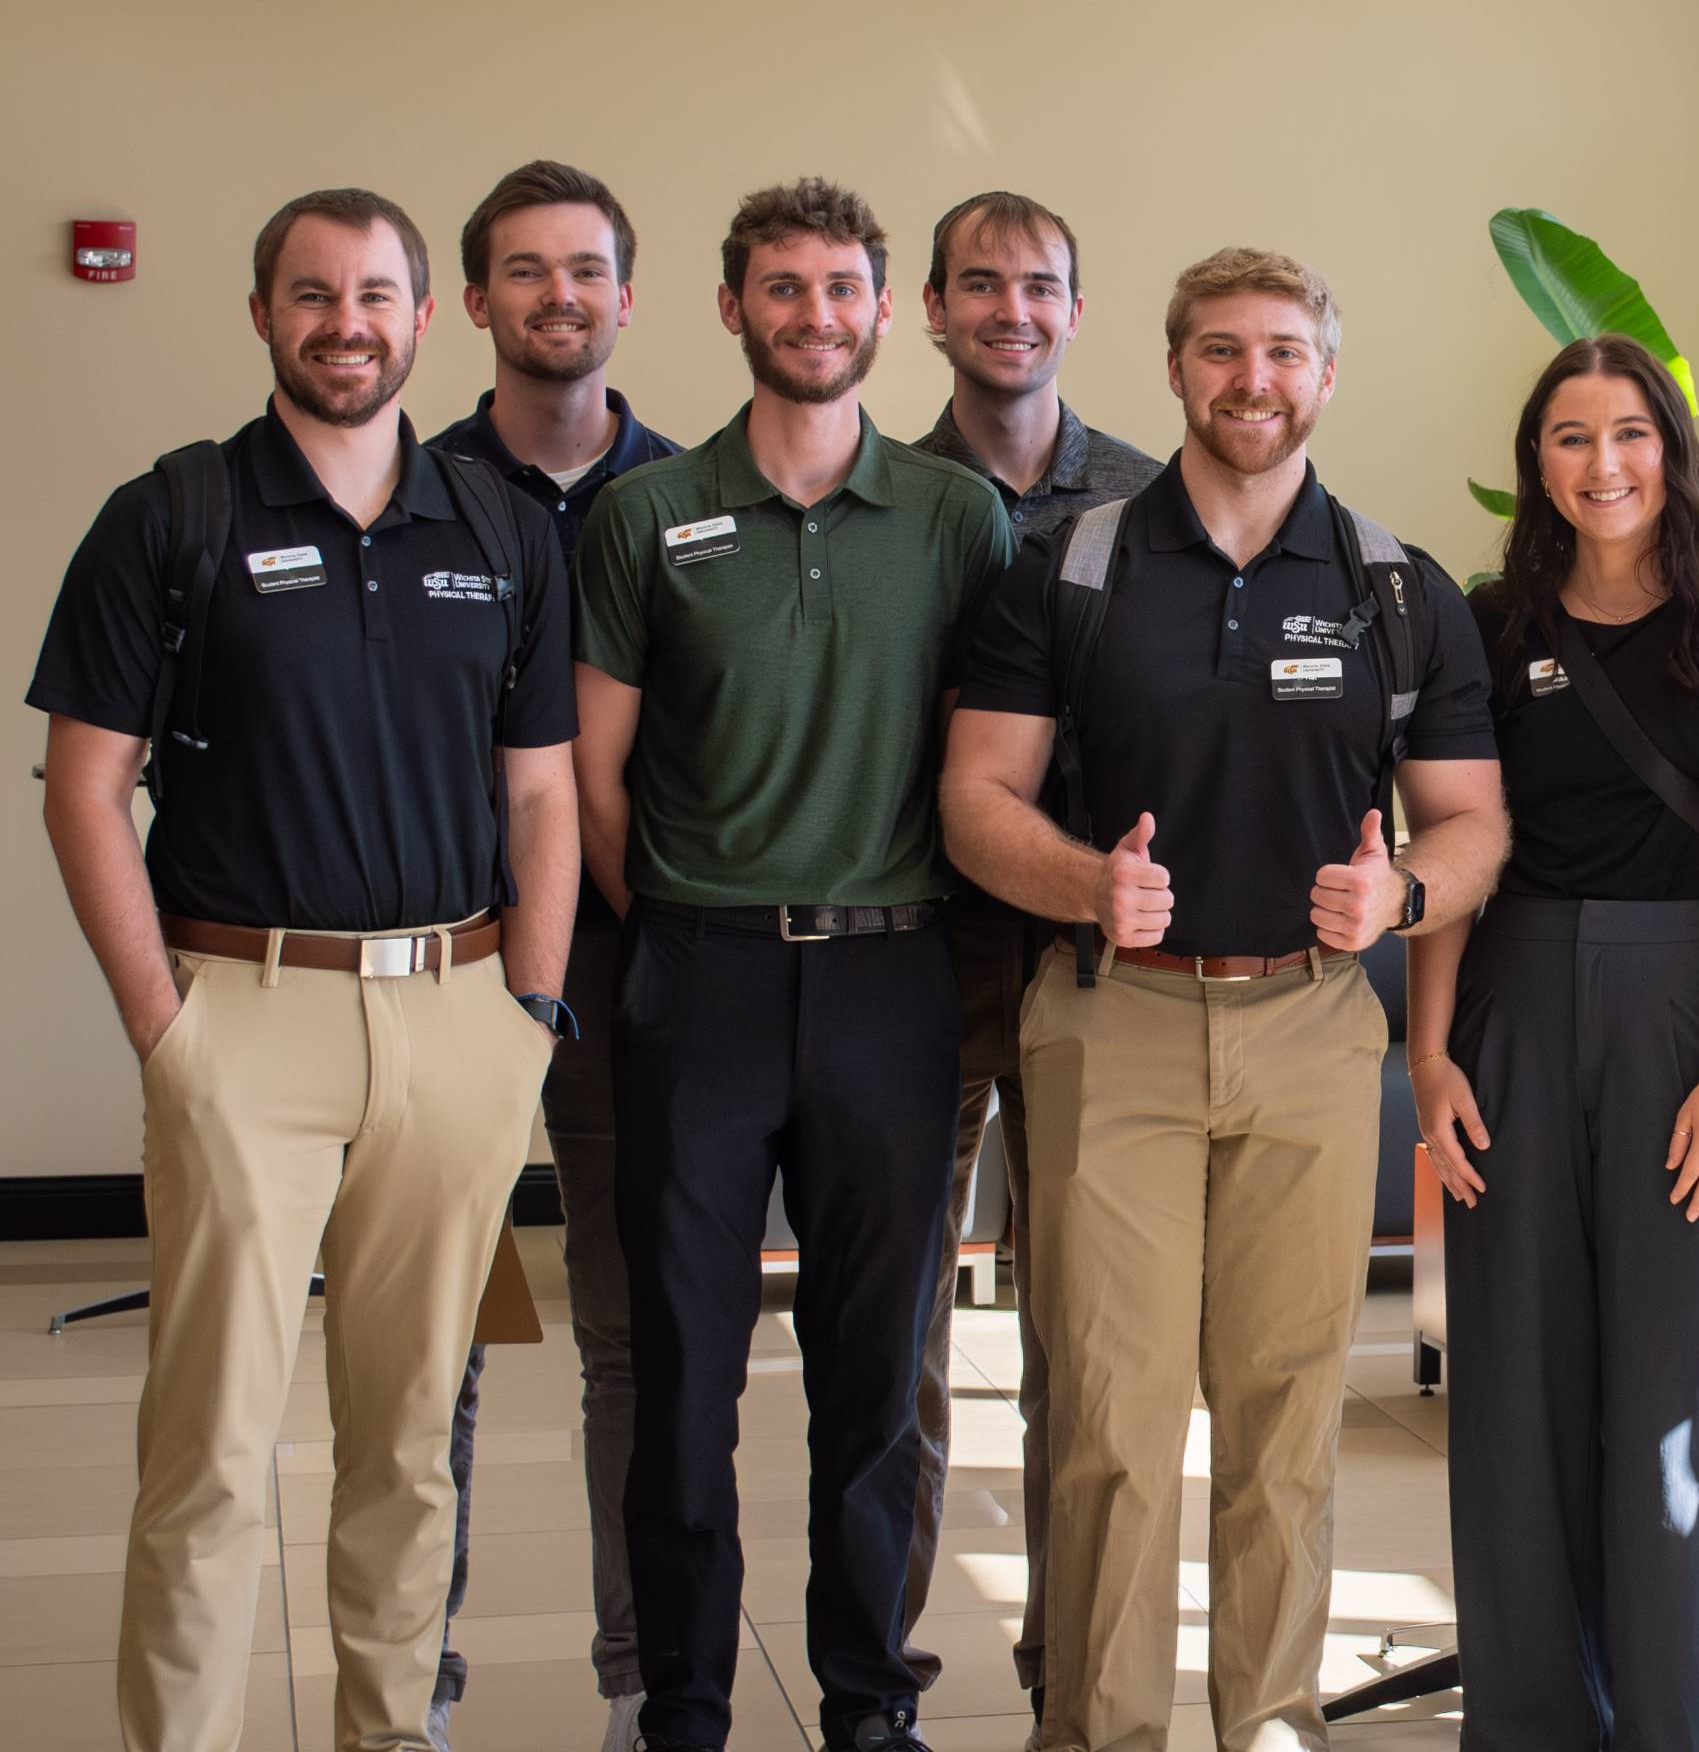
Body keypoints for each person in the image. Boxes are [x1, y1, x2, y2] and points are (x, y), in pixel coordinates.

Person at [32, 186, 575, 1752]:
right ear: (263, 313)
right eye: (314, 293)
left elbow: (540, 788)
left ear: (425, 317)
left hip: (457, 1018)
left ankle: (389, 1733)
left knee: (411, 1443)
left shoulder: (499, 525)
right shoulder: (175, 514)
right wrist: (166, 1030)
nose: (348, 322)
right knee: (209, 1447)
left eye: (377, 295)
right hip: (241, 1016)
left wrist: (526, 1013)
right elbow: (84, 787)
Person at [941, 246, 1506, 1749]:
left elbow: (1474, 821)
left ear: (1325, 374)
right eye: (1221, 351)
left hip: (1316, 1026)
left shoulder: (1397, 587)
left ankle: (1269, 1725)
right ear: (1178, 368)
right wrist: (1082, 883)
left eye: (1281, 352)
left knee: (1286, 1418)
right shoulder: (1070, 565)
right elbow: (974, 797)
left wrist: (1404, 895)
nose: (1252, 380)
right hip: (1110, 1019)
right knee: (1113, 1428)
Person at [574, 177, 1010, 1752]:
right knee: (685, 1371)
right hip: (696, 983)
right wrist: (687, 933)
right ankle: (683, 1702)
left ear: (885, 314)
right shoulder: (646, 515)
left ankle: (867, 1702)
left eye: (842, 289)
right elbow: (596, 778)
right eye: (783, 287)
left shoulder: (959, 518)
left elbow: (997, 757)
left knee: (872, 1383)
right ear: (731, 308)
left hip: (894, 984)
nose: (814, 314)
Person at [1410, 334, 1699, 1748]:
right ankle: (1528, 1718)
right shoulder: (1484, 624)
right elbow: (1455, 850)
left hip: (1688, 1005)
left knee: (1681, 1390)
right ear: (1537, 462)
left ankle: (1668, 1718)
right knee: (1514, 1378)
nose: (1605, 464)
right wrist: (1432, 1053)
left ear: (1673, 450)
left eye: (1632, 433)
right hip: (1514, 999)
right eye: (1572, 437)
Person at [428, 157, 682, 1752]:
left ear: (627, 296)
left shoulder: (688, 490)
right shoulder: (411, 482)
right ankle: (416, 1686)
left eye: (585, 268)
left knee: (629, 1342)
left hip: (631, 972)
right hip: (438, 969)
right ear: (477, 302)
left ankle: (641, 1682)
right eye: (525, 271)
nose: (558, 294)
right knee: (426, 1347)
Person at [903, 189, 1159, 1711]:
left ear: (1076, 308)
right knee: (899, 1329)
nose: (1012, 307)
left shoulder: (1150, 496)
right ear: (930, 309)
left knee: (1089, 1333)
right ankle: (884, 1678)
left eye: (1040, 284)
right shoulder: (875, 489)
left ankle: (1074, 1664)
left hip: (1095, 957)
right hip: (915, 955)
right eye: (979, 284)